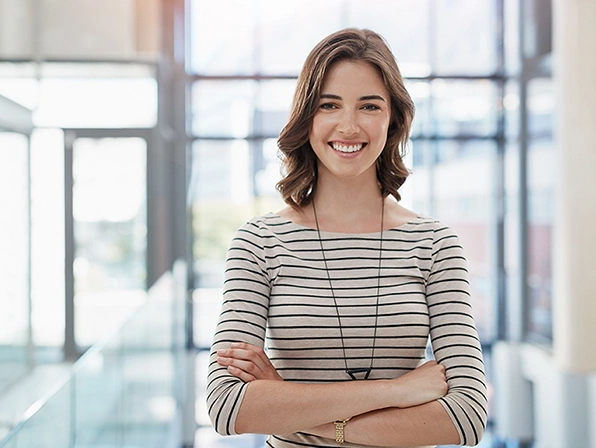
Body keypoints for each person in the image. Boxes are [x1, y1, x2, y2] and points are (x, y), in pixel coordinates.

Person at [206, 28, 487, 447]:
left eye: (369, 106)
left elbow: (466, 417)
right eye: (329, 105)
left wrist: (287, 403)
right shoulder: (259, 242)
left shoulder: (435, 243)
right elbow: (228, 408)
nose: (349, 125)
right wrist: (398, 391)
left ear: (393, 118)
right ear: (307, 117)